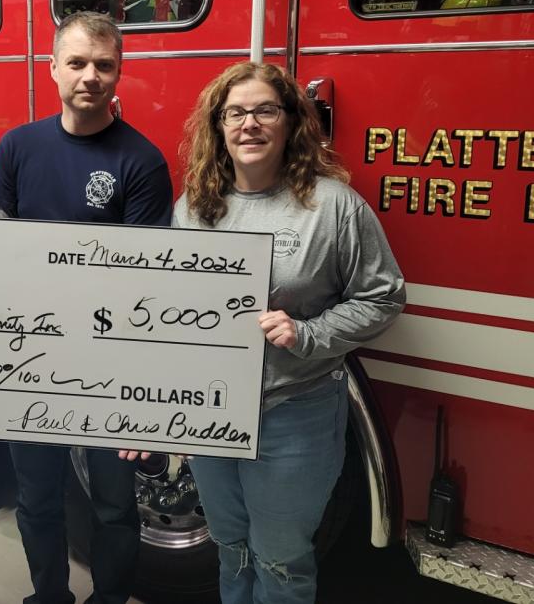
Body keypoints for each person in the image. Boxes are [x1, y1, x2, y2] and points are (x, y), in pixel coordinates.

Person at [172, 61, 405, 604]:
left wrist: (309, 333)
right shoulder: (193, 207)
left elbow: (385, 295)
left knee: (281, 561)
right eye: (235, 113)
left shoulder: (332, 207)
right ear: (218, 128)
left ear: (290, 121)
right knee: (230, 546)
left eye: (264, 110)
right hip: (212, 413)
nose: (248, 124)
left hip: (294, 411)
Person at [0, 11, 173, 604]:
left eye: (104, 65)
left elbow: (142, 283)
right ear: (53, 70)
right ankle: (49, 596)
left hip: (108, 365)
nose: (90, 76)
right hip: (29, 359)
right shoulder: (18, 146)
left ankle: (109, 597)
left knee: (115, 505)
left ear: (119, 74)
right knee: (35, 499)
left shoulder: (142, 162)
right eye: (77, 63)